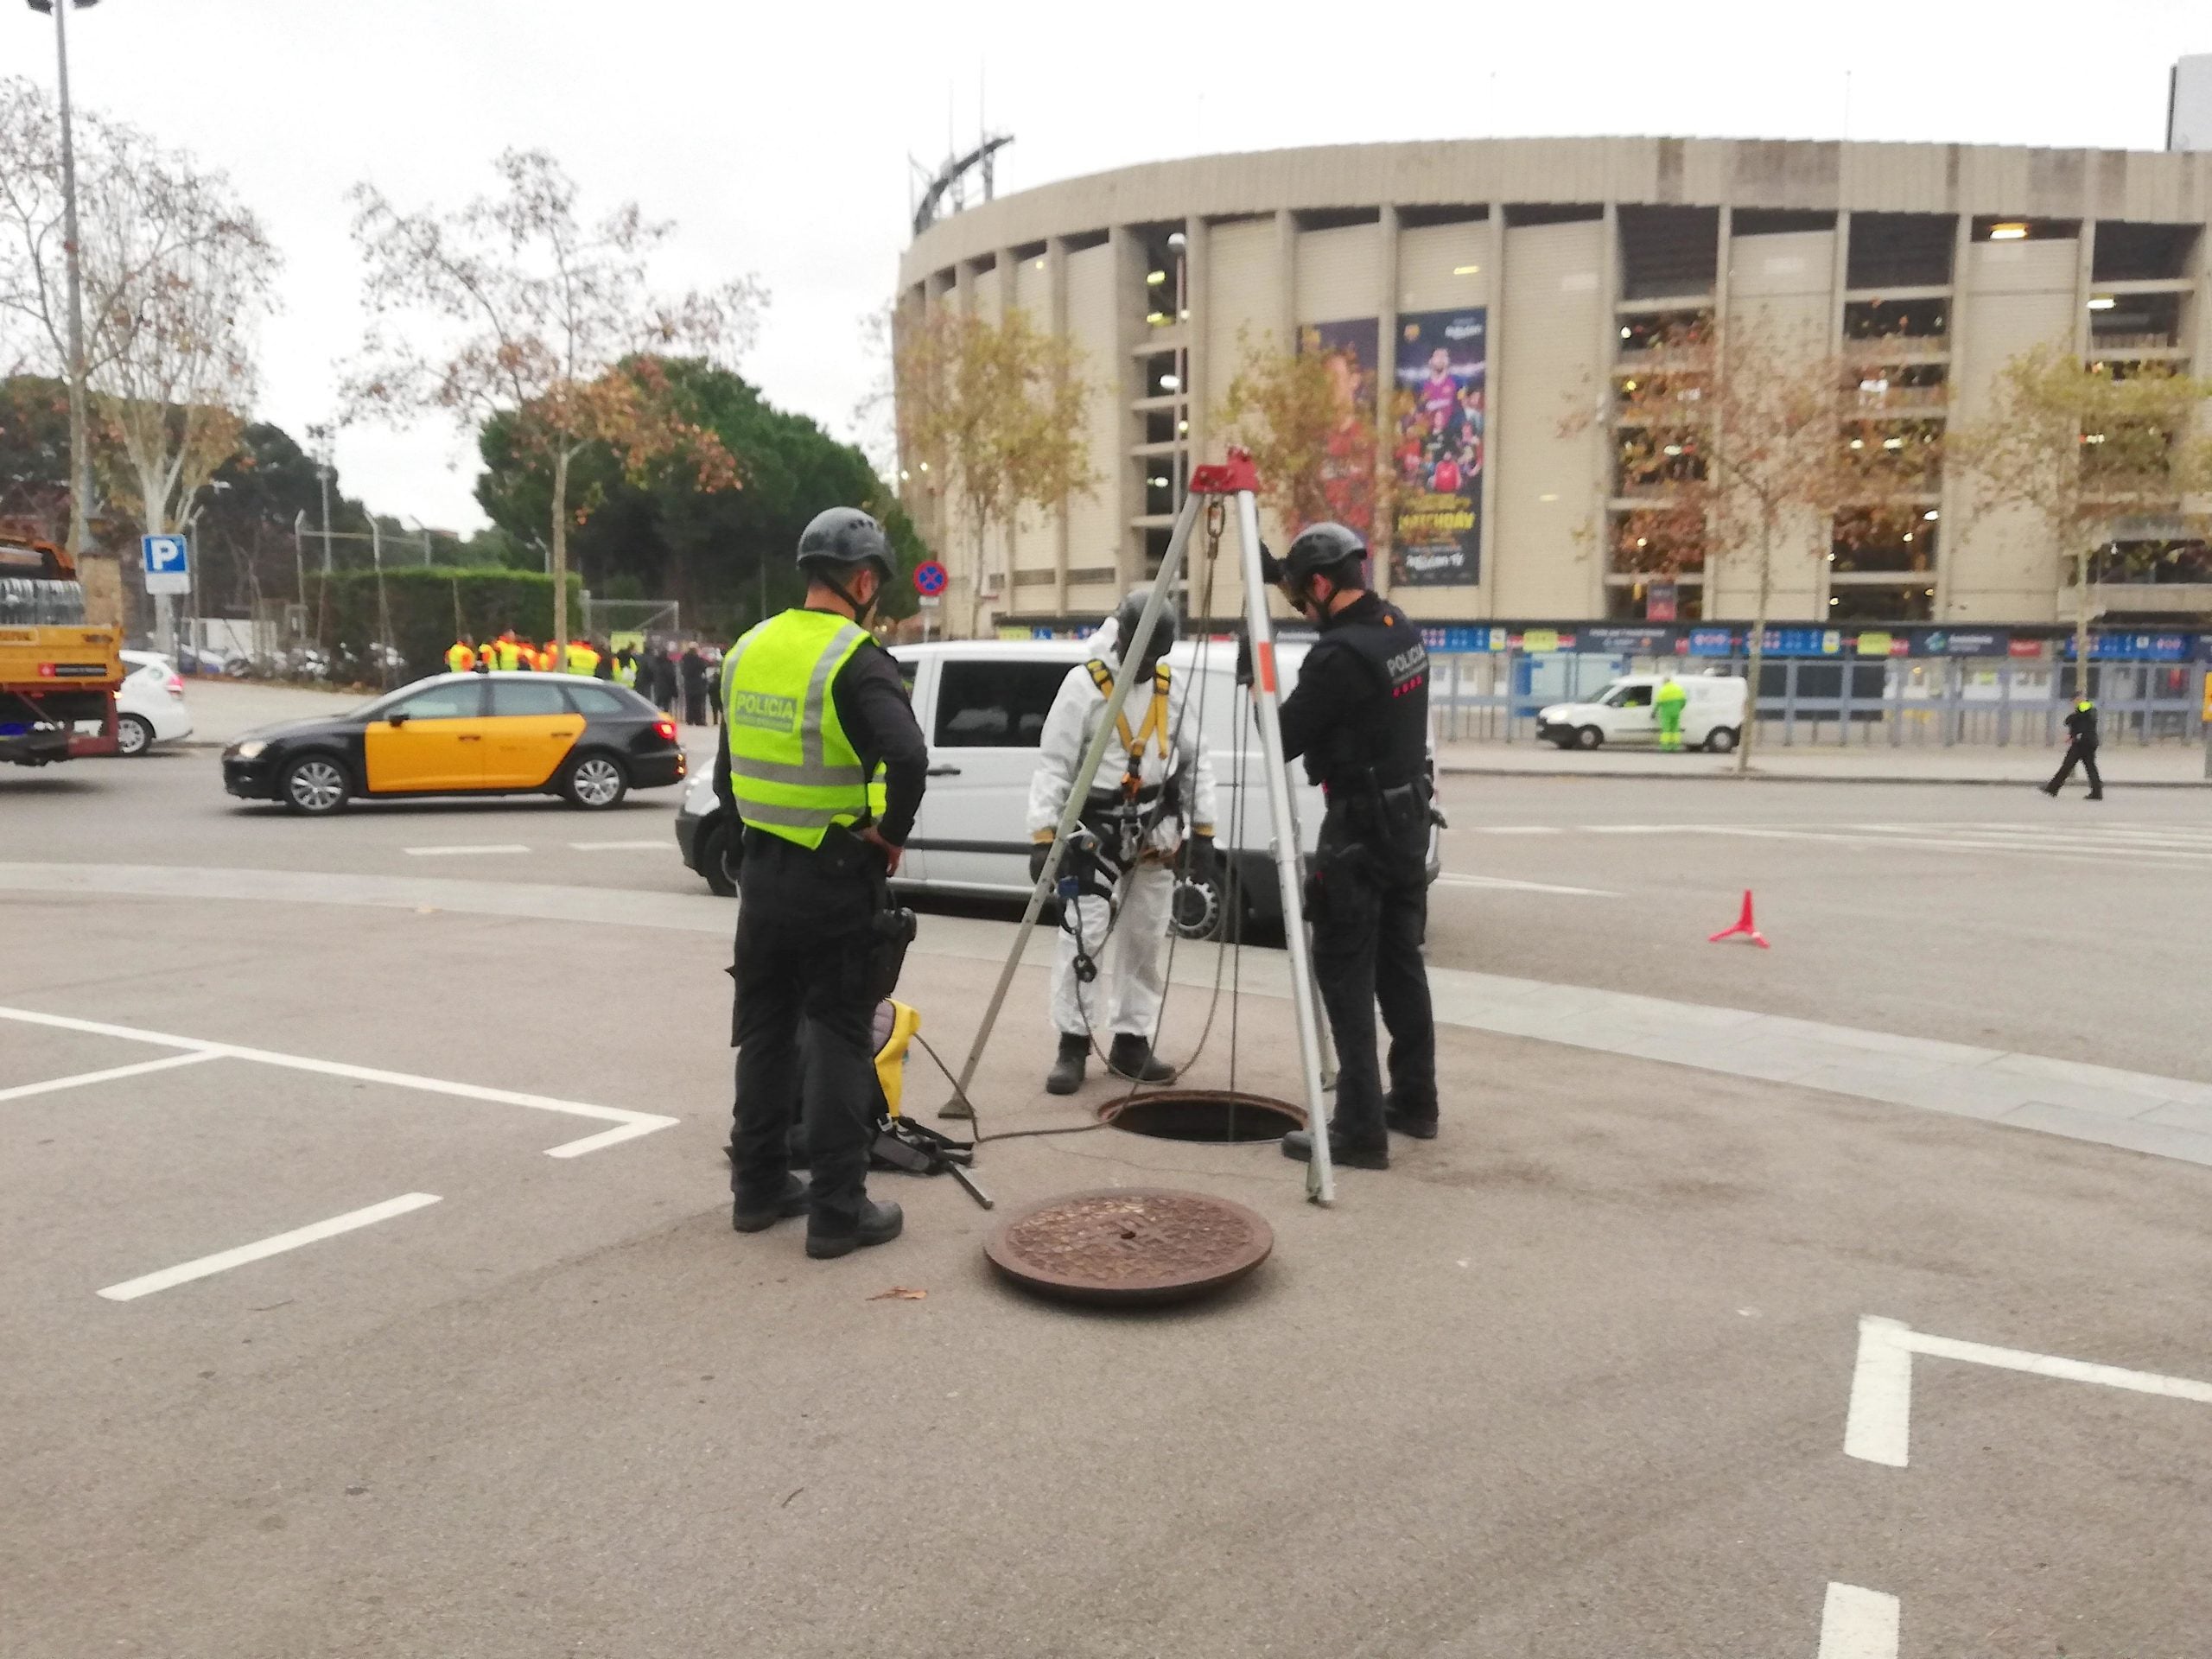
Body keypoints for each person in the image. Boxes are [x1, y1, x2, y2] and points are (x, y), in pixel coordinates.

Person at [718, 506, 928, 1260]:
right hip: (836, 877)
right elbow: (907, 757)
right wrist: (891, 834)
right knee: (840, 1034)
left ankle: (758, 1191)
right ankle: (839, 1212)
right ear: (865, 580)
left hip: (762, 878)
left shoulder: (747, 650)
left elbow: (725, 770)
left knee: (766, 1034)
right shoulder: (857, 659)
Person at [1268, 521, 1437, 1173]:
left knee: (1343, 972)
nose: (1301, 612)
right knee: (1401, 965)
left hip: (1359, 830)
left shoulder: (1336, 658)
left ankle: (1359, 1130)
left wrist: (1258, 695)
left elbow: (1282, 736)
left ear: (1320, 584)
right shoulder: (1399, 629)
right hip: (1407, 823)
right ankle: (1416, 1102)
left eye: (1300, 596)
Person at [1026, 587, 1217, 1095]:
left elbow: (1195, 762)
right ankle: (1073, 1042)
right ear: (1123, 637)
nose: (1149, 662)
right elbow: (1054, 765)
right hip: (1095, 833)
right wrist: (1045, 836)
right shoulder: (1083, 688)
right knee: (1082, 938)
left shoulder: (1171, 690)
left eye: (1157, 654)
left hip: (1155, 830)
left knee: (1145, 940)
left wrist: (1204, 831)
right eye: (1143, 651)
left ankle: (1132, 1041)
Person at [2044, 697, 2104, 800]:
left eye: (2075, 701)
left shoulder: (2085, 708)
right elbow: (2075, 722)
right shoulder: (2086, 710)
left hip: (2082, 743)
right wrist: (2072, 734)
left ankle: (2052, 788)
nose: (2073, 703)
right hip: (2086, 743)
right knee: (2089, 768)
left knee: (2068, 766)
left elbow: (2073, 720)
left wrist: (2072, 723)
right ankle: (2097, 792)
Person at [1655, 674, 1688, 753]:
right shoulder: (1678, 688)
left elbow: (1658, 703)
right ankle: (1675, 746)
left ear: (1664, 682)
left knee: (1666, 730)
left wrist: (1654, 712)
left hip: (1666, 713)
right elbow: (1684, 701)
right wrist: (1679, 708)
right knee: (1675, 729)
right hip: (1676, 712)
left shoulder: (1663, 690)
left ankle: (1665, 746)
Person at [680, 642, 709, 726]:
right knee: (698, 703)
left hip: (688, 684)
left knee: (689, 703)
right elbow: (704, 667)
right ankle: (698, 719)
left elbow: (683, 672)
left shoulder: (685, 660)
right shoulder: (698, 660)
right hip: (697, 684)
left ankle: (689, 719)